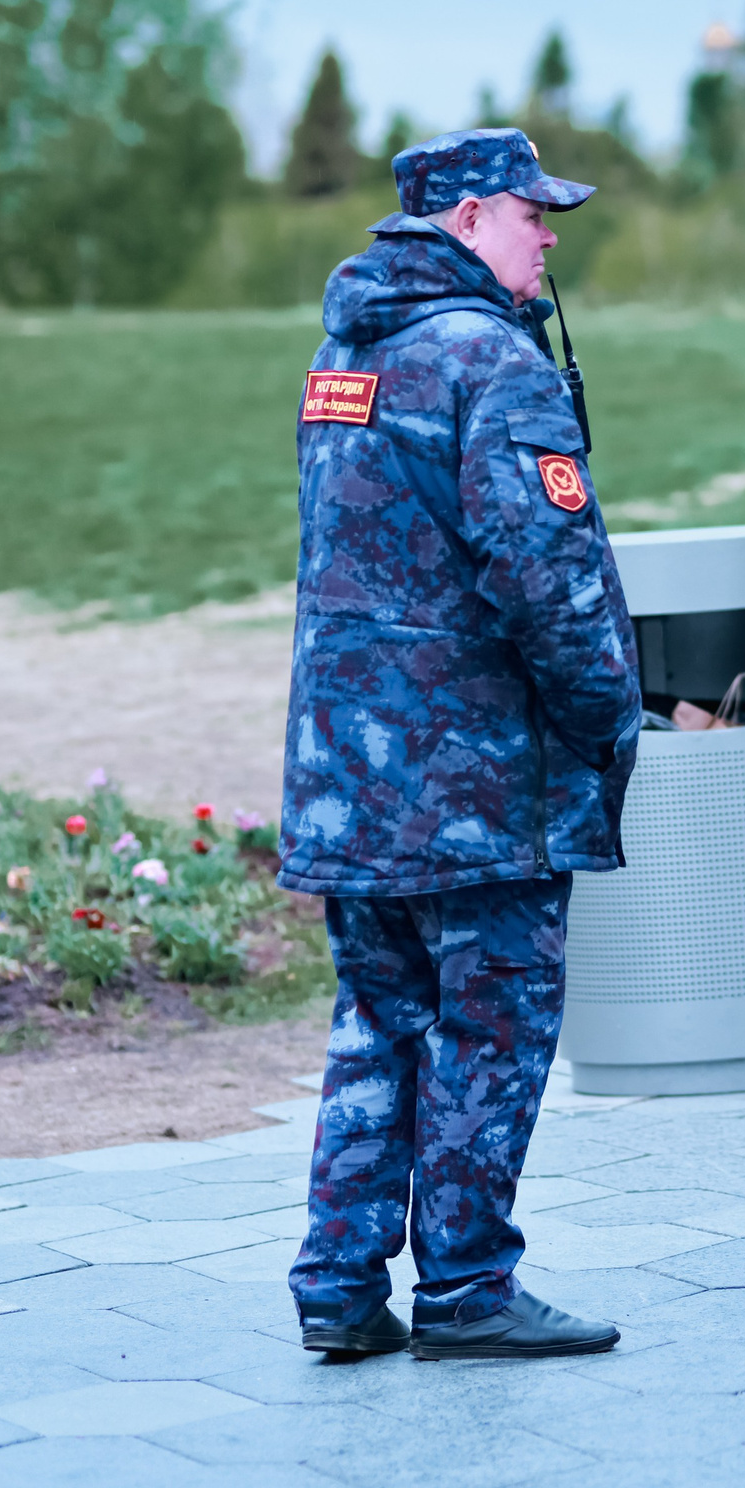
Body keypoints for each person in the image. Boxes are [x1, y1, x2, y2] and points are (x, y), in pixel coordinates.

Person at [279, 127, 642, 1360]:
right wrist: (608, 720)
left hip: (351, 778)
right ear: (473, 215)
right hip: (479, 782)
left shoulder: (346, 349)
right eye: (536, 215)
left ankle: (337, 1284)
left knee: (377, 1023)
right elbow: (547, 578)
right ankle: (469, 1287)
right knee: (490, 1031)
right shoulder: (491, 362)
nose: (550, 236)